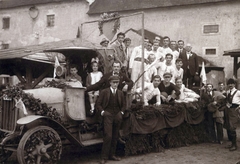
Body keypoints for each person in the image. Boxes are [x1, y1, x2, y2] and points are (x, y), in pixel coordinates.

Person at [96, 76, 126, 164]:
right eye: (113, 82)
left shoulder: (120, 93)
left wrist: (121, 113)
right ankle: (104, 157)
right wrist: (103, 112)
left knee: (115, 136)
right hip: (107, 115)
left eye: (117, 82)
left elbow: (124, 105)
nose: (115, 84)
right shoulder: (104, 92)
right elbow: (98, 104)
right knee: (108, 136)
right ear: (110, 83)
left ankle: (112, 155)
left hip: (117, 115)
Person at [224, 78, 240, 151]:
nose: (230, 85)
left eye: (232, 83)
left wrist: (239, 107)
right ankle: (231, 143)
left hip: (234, 110)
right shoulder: (227, 92)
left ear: (234, 84)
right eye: (229, 84)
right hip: (228, 110)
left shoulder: (238, 92)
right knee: (228, 126)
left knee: (232, 127)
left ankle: (234, 145)